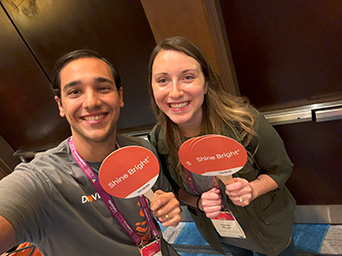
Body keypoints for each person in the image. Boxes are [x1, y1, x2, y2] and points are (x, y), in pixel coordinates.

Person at [0, 49, 181, 256]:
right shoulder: (42, 180)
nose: (92, 102)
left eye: (102, 88)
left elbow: (163, 196)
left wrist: (166, 205)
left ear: (120, 96)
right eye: (75, 92)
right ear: (60, 104)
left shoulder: (141, 149)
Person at [147, 36, 297, 256]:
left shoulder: (245, 123)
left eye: (188, 77)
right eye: (162, 80)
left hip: (267, 226)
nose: (175, 92)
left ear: (206, 84)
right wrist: (198, 202)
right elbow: (174, 190)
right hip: (220, 231)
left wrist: (252, 189)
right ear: (152, 87)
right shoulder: (159, 138)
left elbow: (281, 169)